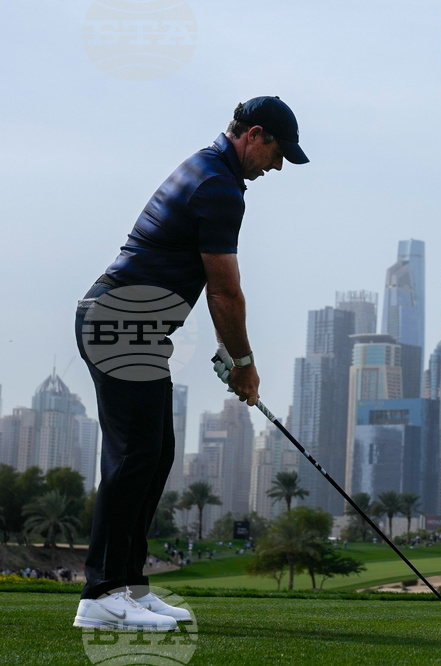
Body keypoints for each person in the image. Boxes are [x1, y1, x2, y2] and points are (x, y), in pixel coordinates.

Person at [72, 97, 308, 631]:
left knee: (155, 455)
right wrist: (244, 363)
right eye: (277, 152)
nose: (277, 166)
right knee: (135, 455)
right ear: (254, 134)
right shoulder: (219, 186)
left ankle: (128, 586)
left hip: (134, 327)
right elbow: (225, 292)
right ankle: (100, 596)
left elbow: (214, 294)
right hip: (120, 322)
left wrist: (231, 353)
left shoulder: (209, 168)